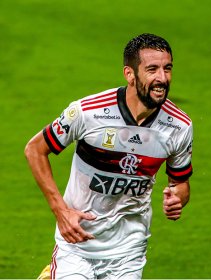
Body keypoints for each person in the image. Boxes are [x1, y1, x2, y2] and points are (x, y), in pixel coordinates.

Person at [25, 33, 193, 279]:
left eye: (167, 69)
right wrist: (60, 210)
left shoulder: (179, 126)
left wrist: (178, 198)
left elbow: (180, 183)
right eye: (152, 69)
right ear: (130, 74)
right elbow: (35, 149)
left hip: (129, 248)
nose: (162, 78)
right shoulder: (88, 112)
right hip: (77, 245)